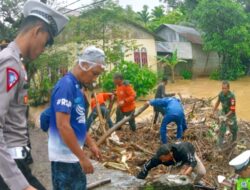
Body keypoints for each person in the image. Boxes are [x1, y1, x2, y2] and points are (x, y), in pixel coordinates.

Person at [0, 0, 68, 189]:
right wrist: (20, 184)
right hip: (9, 167)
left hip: (17, 162)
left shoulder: (16, 62)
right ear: (37, 31)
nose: (44, 49)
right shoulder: (9, 63)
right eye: (46, 43)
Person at [49, 46, 104, 190]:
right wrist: (83, 158)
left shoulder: (77, 87)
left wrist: (91, 143)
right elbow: (63, 126)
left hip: (73, 156)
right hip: (64, 159)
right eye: (94, 73)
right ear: (84, 65)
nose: (94, 78)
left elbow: (78, 122)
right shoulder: (66, 86)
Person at [136, 142, 206, 184]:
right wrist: (139, 179)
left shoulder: (183, 150)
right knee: (174, 182)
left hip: (189, 157)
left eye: (163, 159)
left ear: (170, 153)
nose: (162, 161)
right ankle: (188, 180)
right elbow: (146, 166)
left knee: (201, 172)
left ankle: (193, 184)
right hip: (176, 163)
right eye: (161, 160)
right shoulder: (159, 158)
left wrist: (185, 173)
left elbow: (193, 162)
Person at [212, 81, 238, 148]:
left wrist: (225, 117)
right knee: (222, 130)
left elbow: (232, 110)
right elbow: (218, 102)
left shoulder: (232, 96)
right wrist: (213, 111)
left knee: (234, 129)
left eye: (225, 88)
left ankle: (234, 140)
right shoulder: (221, 94)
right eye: (222, 88)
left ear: (228, 88)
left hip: (231, 114)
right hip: (224, 112)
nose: (223, 90)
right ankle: (219, 146)